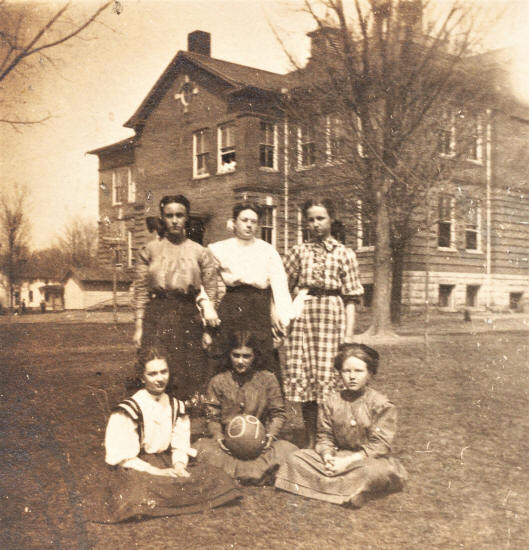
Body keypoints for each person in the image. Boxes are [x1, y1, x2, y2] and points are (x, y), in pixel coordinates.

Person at [88, 348, 241, 523]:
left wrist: (178, 466)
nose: (160, 378)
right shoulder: (128, 409)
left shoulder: (176, 406)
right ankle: (172, 499)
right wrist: (158, 472)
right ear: (142, 377)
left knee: (217, 477)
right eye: (152, 374)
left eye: (164, 372)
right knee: (138, 489)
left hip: (166, 461)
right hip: (139, 467)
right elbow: (124, 457)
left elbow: (180, 445)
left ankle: (167, 500)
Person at [275, 343, 407, 508]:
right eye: (346, 371)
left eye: (358, 371)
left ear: (370, 374)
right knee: (296, 458)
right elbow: (324, 437)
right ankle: (352, 492)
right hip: (338, 457)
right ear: (339, 374)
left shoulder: (382, 405)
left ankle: (328, 488)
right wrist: (328, 457)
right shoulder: (331, 401)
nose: (352, 377)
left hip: (368, 460)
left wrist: (347, 462)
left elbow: (380, 446)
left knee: (372, 472)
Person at [283, 198, 364, 447]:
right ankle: (309, 436)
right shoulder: (298, 252)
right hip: (304, 317)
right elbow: (282, 287)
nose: (316, 224)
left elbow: (351, 297)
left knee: (329, 377)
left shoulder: (344, 253)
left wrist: (348, 335)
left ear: (331, 220)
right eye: (311, 219)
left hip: (331, 316)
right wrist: (283, 319)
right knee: (307, 377)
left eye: (321, 218)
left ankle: (328, 436)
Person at [133, 194, 220, 399]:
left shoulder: (200, 252)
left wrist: (208, 330)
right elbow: (141, 291)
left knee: (187, 371)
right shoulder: (149, 250)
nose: (174, 220)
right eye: (169, 215)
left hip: (188, 314)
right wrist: (138, 327)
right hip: (157, 314)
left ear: (187, 218)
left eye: (179, 215)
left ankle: (185, 422)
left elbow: (212, 292)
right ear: (162, 218)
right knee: (156, 369)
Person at [194, 331, 298, 485]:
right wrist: (218, 436)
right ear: (229, 355)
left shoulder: (268, 379)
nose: (240, 361)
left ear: (255, 356)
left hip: (259, 447)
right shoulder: (218, 381)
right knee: (201, 447)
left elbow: (278, 413)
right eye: (236, 355)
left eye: (246, 356)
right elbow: (212, 417)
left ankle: (235, 473)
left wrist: (270, 435)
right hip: (229, 448)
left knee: (290, 451)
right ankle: (258, 474)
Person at [207, 202, 293, 377]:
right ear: (234, 222)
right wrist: (209, 309)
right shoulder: (219, 248)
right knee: (228, 353)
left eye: (254, 221)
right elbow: (206, 281)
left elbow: (279, 285)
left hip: (259, 308)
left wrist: (280, 316)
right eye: (244, 220)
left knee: (261, 356)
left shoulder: (268, 250)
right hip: (232, 305)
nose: (249, 225)